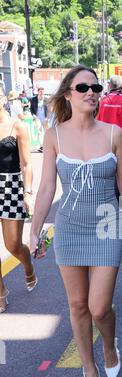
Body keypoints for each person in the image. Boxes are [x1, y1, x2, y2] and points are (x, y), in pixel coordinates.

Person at [30, 65, 122, 377]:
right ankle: (88, 368)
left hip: (106, 227)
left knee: (99, 307)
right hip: (69, 229)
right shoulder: (53, 135)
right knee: (77, 304)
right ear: (68, 94)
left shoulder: (114, 133)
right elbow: (46, 188)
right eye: (83, 86)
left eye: (95, 86)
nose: (91, 91)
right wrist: (35, 228)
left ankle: (108, 344)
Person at [0, 88, 36, 313]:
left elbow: (26, 164)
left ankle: (28, 265)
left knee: (12, 244)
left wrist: (28, 193)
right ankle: (1, 292)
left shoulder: (17, 126)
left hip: (11, 187)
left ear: (3, 99)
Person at [96, 75, 122, 162]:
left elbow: (96, 121)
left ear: (110, 86)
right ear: (121, 87)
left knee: (105, 168)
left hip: (104, 139)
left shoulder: (103, 101)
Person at [30, 87, 48, 152]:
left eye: (43, 92)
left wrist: (48, 117)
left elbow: (50, 109)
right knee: (39, 132)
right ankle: (41, 146)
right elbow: (31, 109)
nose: (42, 93)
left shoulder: (46, 99)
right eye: (40, 92)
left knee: (46, 132)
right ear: (38, 92)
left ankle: (47, 145)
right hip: (37, 118)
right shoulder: (33, 99)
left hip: (45, 118)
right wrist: (33, 115)